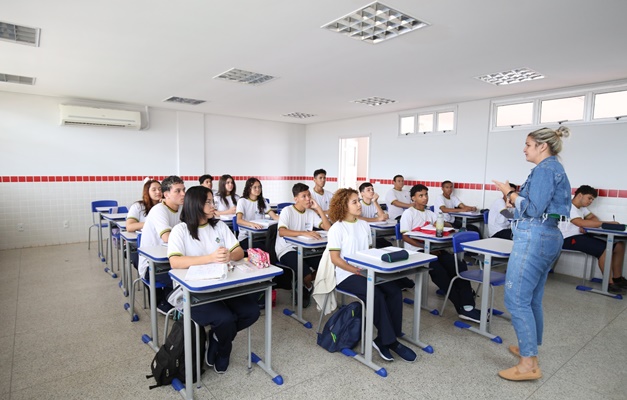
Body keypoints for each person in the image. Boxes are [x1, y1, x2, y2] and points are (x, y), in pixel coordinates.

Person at [493, 126, 572, 381]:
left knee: (516, 298)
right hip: (546, 235)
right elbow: (530, 208)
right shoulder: (552, 169)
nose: (524, 148)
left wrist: (509, 192)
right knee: (532, 297)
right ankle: (530, 348)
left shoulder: (546, 169)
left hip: (534, 237)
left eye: (528, 144)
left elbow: (534, 208)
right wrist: (513, 201)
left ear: (542, 146)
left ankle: (528, 364)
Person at [167, 185, 258, 374]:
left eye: (212, 201)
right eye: (207, 202)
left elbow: (239, 251)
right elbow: (175, 261)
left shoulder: (219, 226)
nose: (212, 205)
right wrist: (210, 258)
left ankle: (217, 338)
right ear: (195, 204)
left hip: (222, 286)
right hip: (192, 292)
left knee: (251, 311)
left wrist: (229, 257)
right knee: (225, 319)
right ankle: (224, 351)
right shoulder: (180, 230)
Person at [327, 188, 417, 362]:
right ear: (343, 206)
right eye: (354, 202)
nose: (359, 204)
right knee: (376, 295)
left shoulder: (364, 225)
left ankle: (387, 336)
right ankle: (390, 342)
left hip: (366, 270)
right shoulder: (337, 229)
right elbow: (335, 259)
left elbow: (368, 252)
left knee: (394, 291)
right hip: (347, 275)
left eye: (358, 201)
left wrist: (371, 268)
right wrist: (355, 270)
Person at [400, 184, 481, 322]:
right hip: (416, 250)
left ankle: (468, 305)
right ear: (413, 198)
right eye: (421, 195)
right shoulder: (408, 213)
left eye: (426, 195)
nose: (425, 198)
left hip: (434, 249)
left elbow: (442, 226)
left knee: (459, 265)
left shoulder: (430, 213)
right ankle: (460, 306)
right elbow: (405, 237)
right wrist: (424, 247)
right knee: (439, 271)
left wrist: (446, 224)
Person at [559, 185, 627, 294]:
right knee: (606, 249)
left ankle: (618, 279)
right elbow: (580, 222)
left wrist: (586, 224)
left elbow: (592, 218)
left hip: (581, 237)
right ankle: (609, 284)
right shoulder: (568, 207)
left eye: (592, 199)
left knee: (619, 245)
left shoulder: (582, 209)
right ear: (580, 195)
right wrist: (606, 223)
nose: (591, 201)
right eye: (589, 198)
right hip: (568, 239)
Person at [275, 183, 331, 308]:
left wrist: (319, 209)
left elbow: (328, 228)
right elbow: (282, 231)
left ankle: (302, 283)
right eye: (304, 196)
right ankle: (308, 286)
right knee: (306, 273)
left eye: (309, 195)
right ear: (296, 199)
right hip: (286, 249)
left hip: (306, 249)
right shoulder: (287, 211)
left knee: (326, 264)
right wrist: (304, 233)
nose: (308, 199)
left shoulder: (310, 213)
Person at [139, 175, 186, 314]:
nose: (183, 194)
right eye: (178, 191)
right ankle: (168, 305)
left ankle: (181, 306)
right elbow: (167, 237)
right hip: (153, 266)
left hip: (173, 259)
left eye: (184, 190)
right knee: (185, 280)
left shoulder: (182, 208)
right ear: (166, 194)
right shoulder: (159, 210)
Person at [235, 177, 279, 250]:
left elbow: (274, 216)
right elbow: (238, 220)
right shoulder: (242, 201)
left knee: (276, 244)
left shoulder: (263, 200)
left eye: (259, 187)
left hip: (261, 235)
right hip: (246, 237)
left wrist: (285, 220)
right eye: (255, 187)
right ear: (249, 188)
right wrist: (252, 224)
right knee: (267, 248)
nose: (258, 189)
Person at [358, 182, 393, 248]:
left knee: (388, 245)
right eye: (368, 190)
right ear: (362, 193)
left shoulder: (374, 204)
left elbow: (382, 216)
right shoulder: (359, 204)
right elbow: (359, 218)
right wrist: (377, 219)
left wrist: (375, 201)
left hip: (374, 232)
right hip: (363, 233)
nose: (372, 191)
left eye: (372, 189)